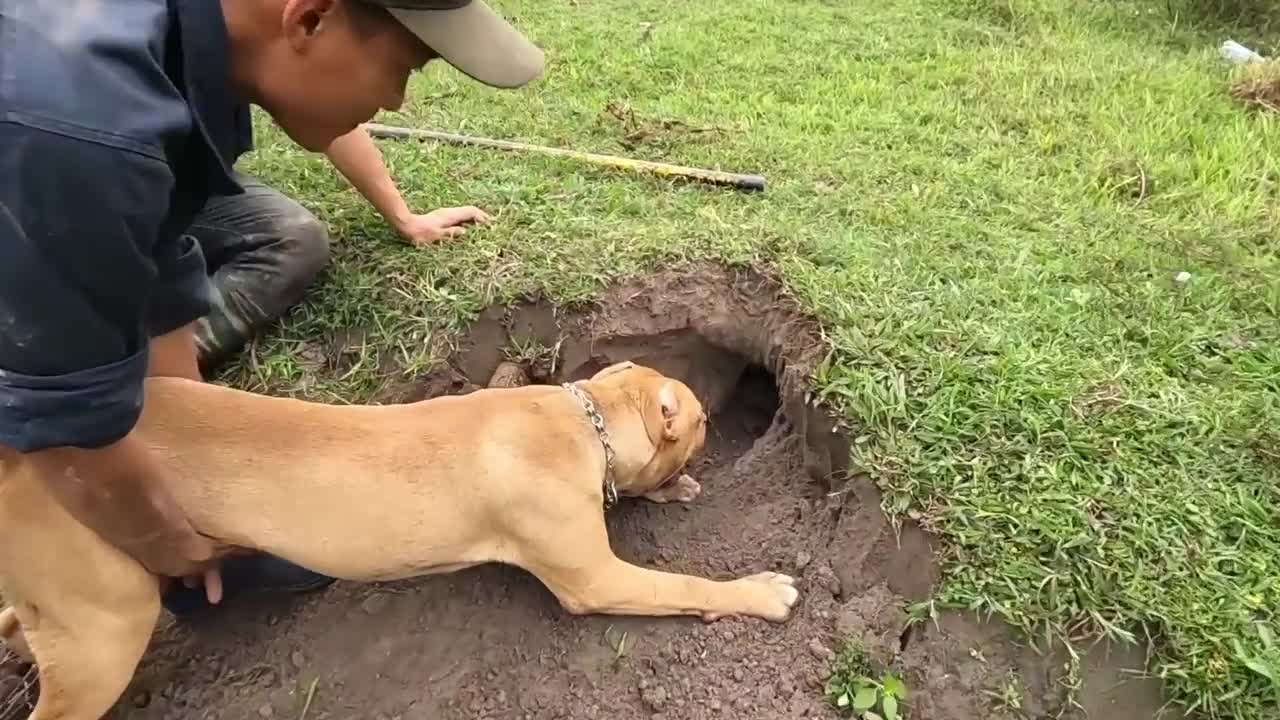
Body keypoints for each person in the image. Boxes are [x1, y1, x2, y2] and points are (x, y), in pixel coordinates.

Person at [0, 0, 543, 616]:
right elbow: (58, 414)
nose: (397, 104)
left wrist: (199, 484)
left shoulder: (194, 56)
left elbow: (165, 259)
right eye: (404, 69)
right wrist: (164, 541)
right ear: (309, 20)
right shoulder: (83, 128)